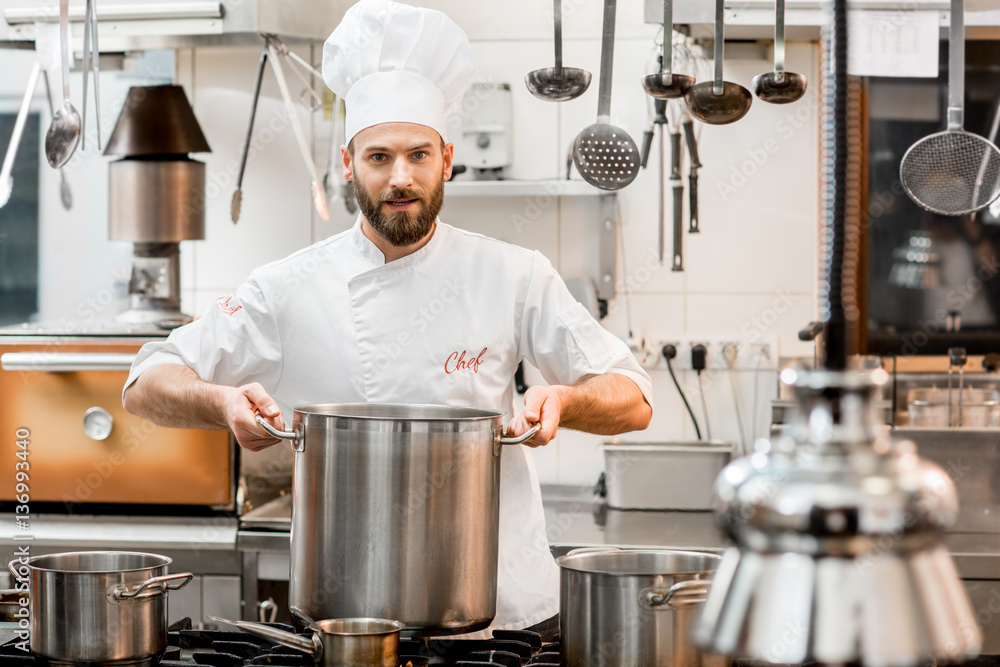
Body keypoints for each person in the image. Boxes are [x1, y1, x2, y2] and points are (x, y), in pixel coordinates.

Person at [122, 0, 652, 640]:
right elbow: (146, 380)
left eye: (418, 155)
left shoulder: (514, 273)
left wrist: (563, 399)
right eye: (378, 157)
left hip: (505, 613)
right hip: (353, 618)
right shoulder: (286, 287)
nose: (401, 178)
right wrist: (221, 400)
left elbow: (634, 397)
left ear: (446, 158)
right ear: (348, 164)